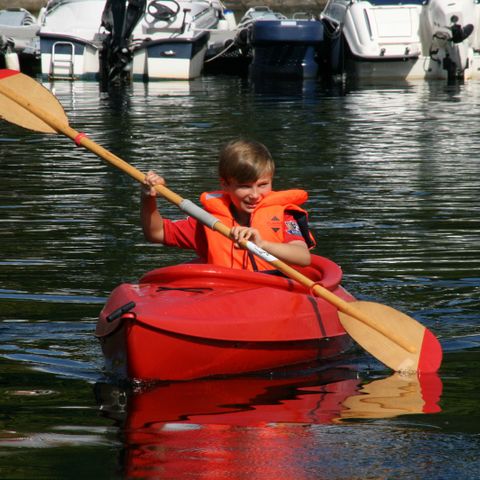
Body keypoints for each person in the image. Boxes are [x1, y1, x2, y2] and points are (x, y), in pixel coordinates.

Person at [141, 139, 315, 271]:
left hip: (273, 295)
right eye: (245, 186)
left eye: (263, 185)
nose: (255, 195)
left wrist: (262, 244)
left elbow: (303, 257)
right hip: (225, 297)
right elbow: (156, 233)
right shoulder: (209, 221)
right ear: (225, 185)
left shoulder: (284, 217)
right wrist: (149, 197)